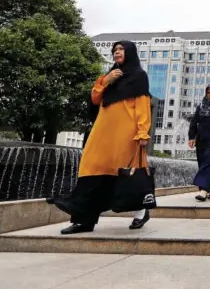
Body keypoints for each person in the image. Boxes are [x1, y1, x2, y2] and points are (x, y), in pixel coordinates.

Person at [48, 41, 152, 234]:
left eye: (120, 49)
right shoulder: (109, 77)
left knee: (126, 174)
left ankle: (141, 211)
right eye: (114, 50)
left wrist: (142, 133)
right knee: (90, 169)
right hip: (102, 132)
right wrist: (106, 81)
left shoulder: (139, 76)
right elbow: (95, 99)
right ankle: (83, 221)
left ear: (129, 52)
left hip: (126, 135)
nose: (117, 52)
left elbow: (143, 106)